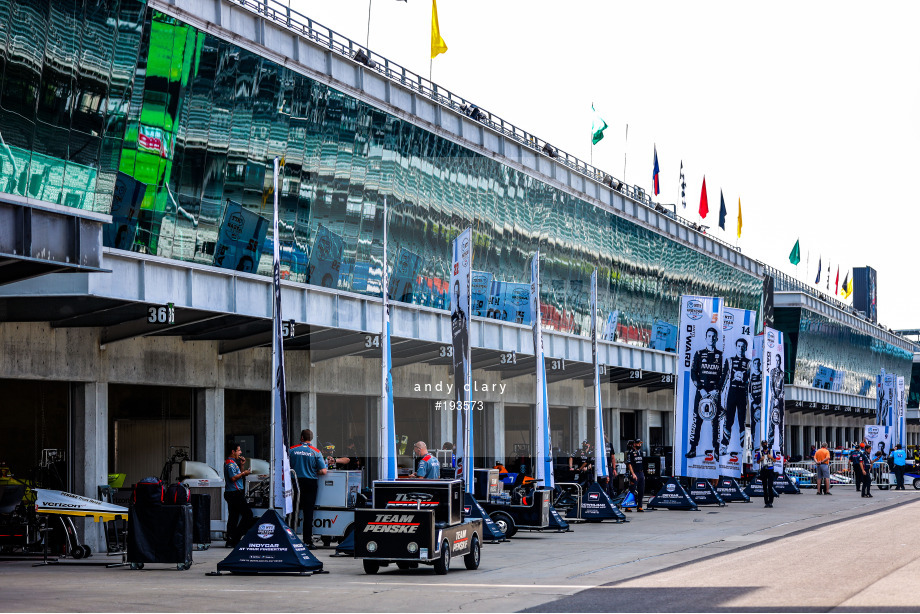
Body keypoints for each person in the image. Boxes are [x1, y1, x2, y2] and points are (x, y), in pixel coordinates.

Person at [687, 327, 726, 460]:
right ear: (706, 337)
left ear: (717, 339)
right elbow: (693, 373)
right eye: (709, 336)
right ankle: (693, 448)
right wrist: (700, 389)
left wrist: (717, 390)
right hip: (701, 392)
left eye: (713, 336)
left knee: (715, 422)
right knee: (696, 420)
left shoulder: (721, 355)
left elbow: (724, 375)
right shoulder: (699, 353)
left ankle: (716, 449)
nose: (711, 338)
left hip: (715, 393)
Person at [289, 429, 327, 546]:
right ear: (311, 438)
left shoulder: (291, 450)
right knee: (308, 512)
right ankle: (307, 540)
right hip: (310, 483)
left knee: (292, 511)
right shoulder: (316, 452)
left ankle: (290, 537)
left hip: (295, 482)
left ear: (301, 437)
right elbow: (323, 471)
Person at [721, 338, 750, 456]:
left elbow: (751, 381)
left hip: (742, 394)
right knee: (729, 420)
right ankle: (724, 446)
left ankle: (742, 447)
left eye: (743, 346)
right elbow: (724, 378)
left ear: (746, 348)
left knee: (742, 421)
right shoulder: (730, 360)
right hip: (731, 394)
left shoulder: (749, 363)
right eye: (739, 346)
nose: (741, 348)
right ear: (736, 346)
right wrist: (718, 393)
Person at [223, 442, 254, 547]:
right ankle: (236, 537)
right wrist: (244, 473)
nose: (240, 452)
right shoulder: (230, 463)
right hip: (234, 493)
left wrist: (242, 465)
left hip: (233, 492)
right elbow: (233, 478)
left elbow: (238, 476)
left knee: (233, 516)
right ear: (233, 451)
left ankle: (231, 540)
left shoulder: (233, 462)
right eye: (239, 450)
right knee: (248, 514)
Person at [625, 438, 645, 512]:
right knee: (632, 490)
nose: (639, 445)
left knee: (641, 490)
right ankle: (628, 506)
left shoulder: (641, 453)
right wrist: (633, 474)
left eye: (640, 444)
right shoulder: (630, 453)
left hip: (641, 472)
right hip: (634, 473)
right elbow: (629, 464)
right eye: (638, 443)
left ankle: (639, 506)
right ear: (634, 444)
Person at [756, 441, 776, 508]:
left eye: (765, 444)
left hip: (770, 469)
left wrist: (771, 457)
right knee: (764, 487)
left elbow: (775, 460)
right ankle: (766, 502)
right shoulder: (760, 453)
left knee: (770, 486)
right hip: (764, 470)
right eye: (763, 444)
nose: (765, 445)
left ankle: (770, 502)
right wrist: (761, 459)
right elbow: (758, 462)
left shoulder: (771, 451)